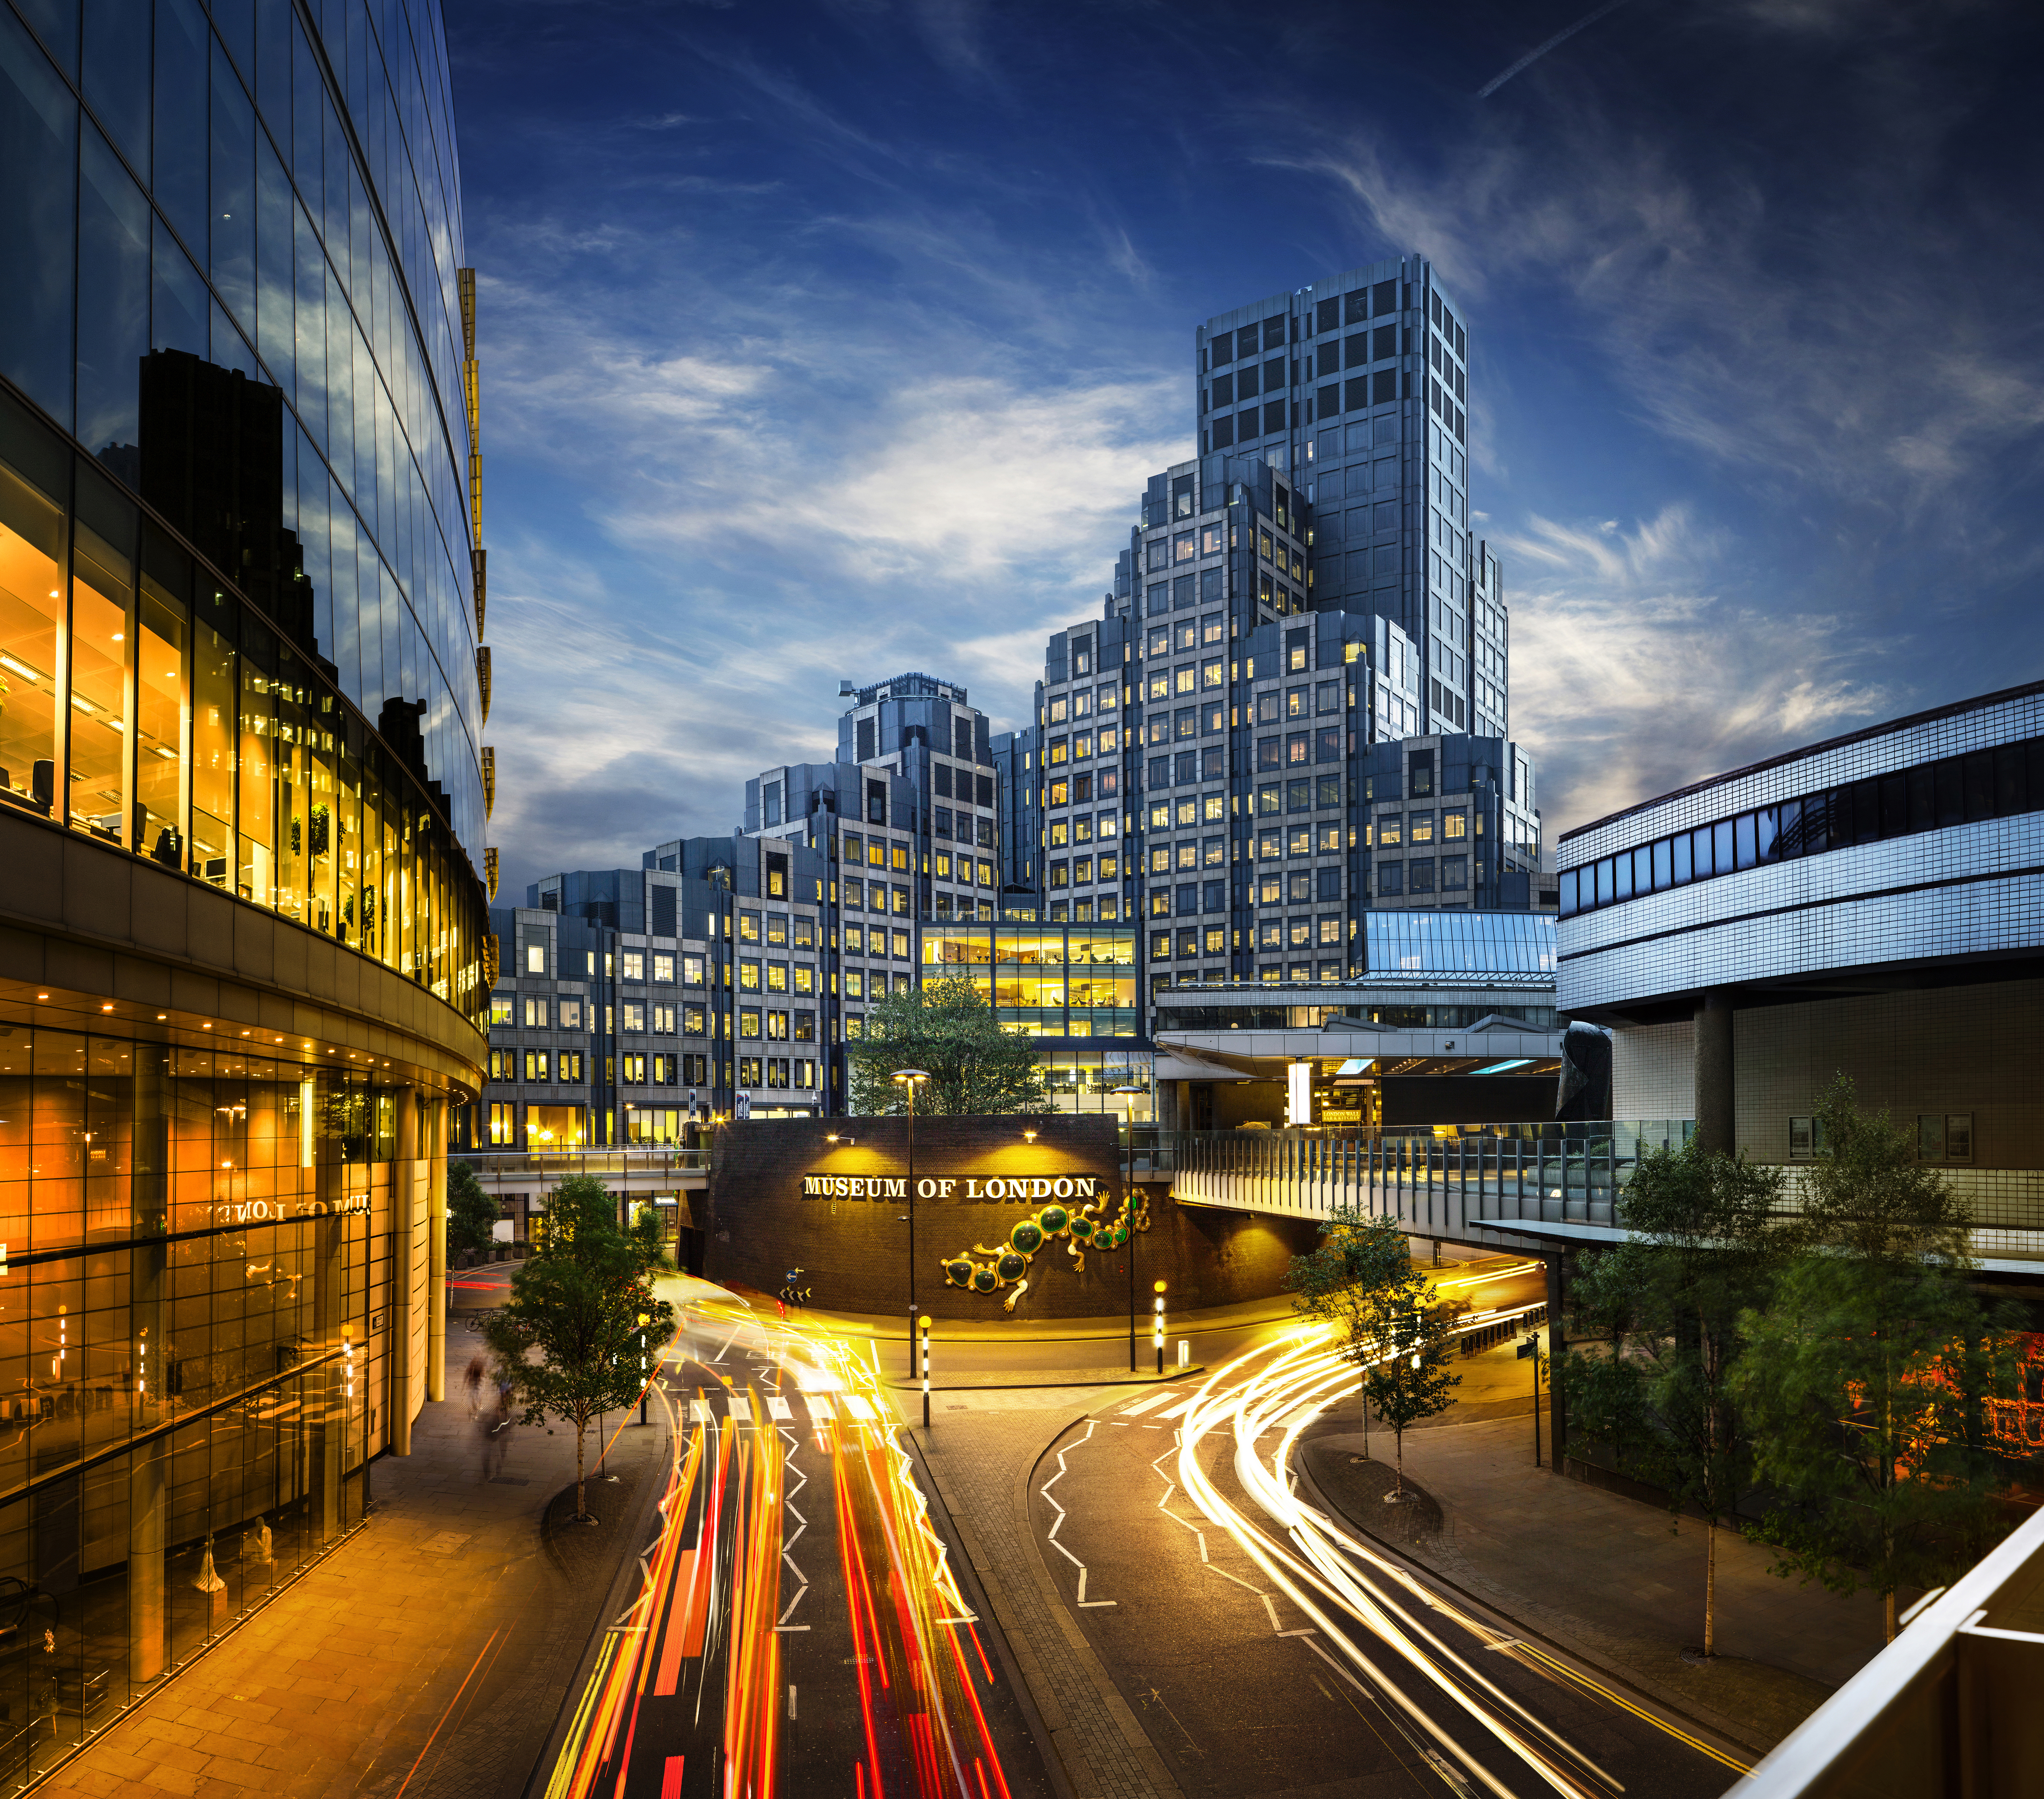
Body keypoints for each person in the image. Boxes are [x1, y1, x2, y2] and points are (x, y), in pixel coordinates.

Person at [463, 1355, 486, 1421]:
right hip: (477, 1386)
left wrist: (465, 1384)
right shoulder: (480, 1368)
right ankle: (476, 1414)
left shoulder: (472, 1368)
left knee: (473, 1400)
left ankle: (474, 1412)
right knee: (476, 1399)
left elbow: (467, 1375)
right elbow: (482, 1376)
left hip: (473, 1385)